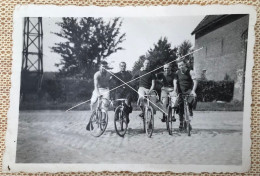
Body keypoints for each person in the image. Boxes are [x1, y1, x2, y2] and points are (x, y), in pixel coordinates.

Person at [173, 60, 198, 130]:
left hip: (188, 91)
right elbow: (175, 82)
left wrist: (193, 91)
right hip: (180, 91)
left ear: (185, 65)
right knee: (179, 106)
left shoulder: (190, 72)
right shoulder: (177, 73)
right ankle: (181, 122)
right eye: (179, 66)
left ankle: (190, 109)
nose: (181, 67)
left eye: (182, 65)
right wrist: (175, 90)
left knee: (194, 97)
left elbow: (195, 81)